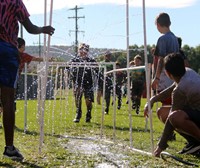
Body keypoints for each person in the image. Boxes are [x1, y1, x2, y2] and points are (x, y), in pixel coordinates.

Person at [0, 0, 55, 161]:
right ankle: (9, 148)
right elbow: (30, 28)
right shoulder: (15, 1)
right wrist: (43, 29)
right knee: (8, 101)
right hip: (6, 50)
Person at [144, 53, 200, 157]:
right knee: (162, 112)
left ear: (167, 73)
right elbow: (170, 89)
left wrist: (160, 146)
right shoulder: (188, 72)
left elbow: (171, 120)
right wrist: (153, 100)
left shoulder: (180, 90)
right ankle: (195, 143)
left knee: (175, 117)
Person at [151, 12, 179, 139]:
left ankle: (169, 133)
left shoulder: (162, 39)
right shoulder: (174, 38)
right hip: (174, 76)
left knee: (164, 106)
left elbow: (161, 59)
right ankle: (170, 132)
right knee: (170, 104)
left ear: (158, 24)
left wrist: (156, 77)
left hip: (164, 76)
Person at [70, 43, 97, 123]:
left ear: (87, 51)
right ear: (79, 50)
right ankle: (78, 113)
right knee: (78, 98)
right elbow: (67, 66)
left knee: (88, 100)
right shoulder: (75, 60)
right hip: (77, 81)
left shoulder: (91, 60)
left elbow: (97, 68)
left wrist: (96, 66)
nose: (82, 51)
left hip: (88, 82)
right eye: (81, 49)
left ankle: (88, 114)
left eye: (85, 49)